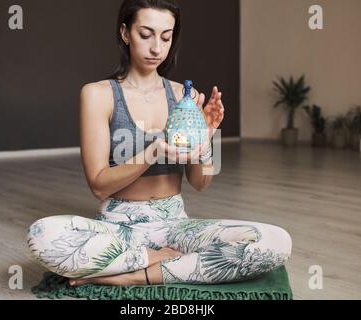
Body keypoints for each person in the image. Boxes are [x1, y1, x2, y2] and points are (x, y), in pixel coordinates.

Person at [27, 0, 292, 287]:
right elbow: (98, 185)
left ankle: (133, 276)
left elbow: (201, 183)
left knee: (276, 241)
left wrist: (205, 139)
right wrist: (153, 150)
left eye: (166, 37)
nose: (157, 48)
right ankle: (157, 260)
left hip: (175, 225)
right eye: (146, 34)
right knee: (41, 234)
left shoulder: (183, 96)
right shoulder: (97, 95)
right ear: (125, 33)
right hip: (118, 229)